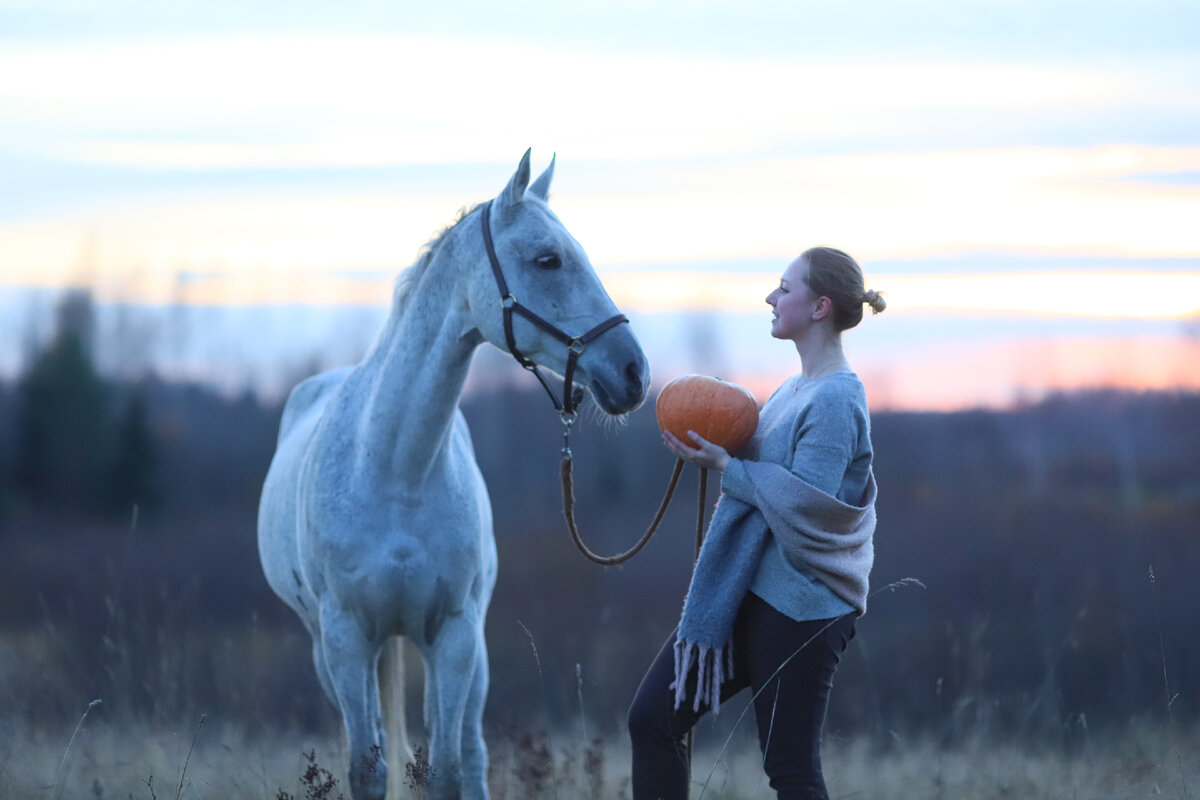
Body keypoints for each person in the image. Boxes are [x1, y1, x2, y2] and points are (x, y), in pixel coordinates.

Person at [628, 246, 886, 800]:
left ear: (819, 307)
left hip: (804, 606)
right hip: (743, 593)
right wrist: (709, 440)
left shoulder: (839, 398)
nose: (771, 298)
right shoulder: (791, 391)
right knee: (651, 720)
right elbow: (764, 470)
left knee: (788, 768)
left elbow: (808, 511)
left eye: (784, 288)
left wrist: (729, 468)